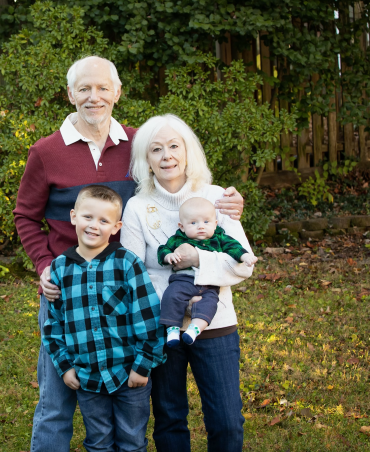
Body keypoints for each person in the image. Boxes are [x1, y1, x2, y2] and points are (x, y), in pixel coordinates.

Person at [13, 55, 245, 452]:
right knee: (58, 398)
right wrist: (45, 265)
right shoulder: (46, 152)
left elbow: (180, 187)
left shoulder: (140, 144)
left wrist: (226, 204)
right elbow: (25, 215)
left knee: (130, 393)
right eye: (84, 88)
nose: (94, 97)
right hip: (68, 291)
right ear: (70, 94)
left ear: (117, 92)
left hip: (129, 294)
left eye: (103, 87)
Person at [120, 114, 255, 452]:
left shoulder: (217, 196)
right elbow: (132, 274)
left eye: (174, 146)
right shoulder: (137, 207)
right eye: (156, 149)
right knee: (169, 418)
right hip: (162, 328)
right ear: (146, 161)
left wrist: (199, 261)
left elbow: (243, 265)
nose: (167, 155)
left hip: (216, 322)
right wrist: (173, 300)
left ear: (188, 152)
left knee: (227, 421)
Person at [42, 185, 165, 452]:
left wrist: (142, 366)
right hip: (88, 378)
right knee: (98, 442)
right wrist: (65, 367)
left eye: (104, 220)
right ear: (73, 216)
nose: (94, 226)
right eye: (88, 217)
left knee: (132, 442)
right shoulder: (60, 269)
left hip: (129, 375)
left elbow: (149, 318)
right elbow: (53, 326)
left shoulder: (127, 263)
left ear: (116, 226)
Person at [157, 197, 257, 347]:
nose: (201, 227)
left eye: (206, 222)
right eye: (193, 223)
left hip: (210, 284)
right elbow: (162, 250)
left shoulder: (219, 237)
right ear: (182, 226)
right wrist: (168, 256)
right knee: (171, 296)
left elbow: (233, 247)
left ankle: (195, 329)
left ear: (215, 224)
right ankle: (172, 328)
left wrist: (245, 256)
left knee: (210, 304)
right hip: (183, 280)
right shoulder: (178, 239)